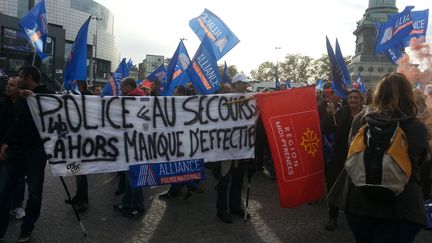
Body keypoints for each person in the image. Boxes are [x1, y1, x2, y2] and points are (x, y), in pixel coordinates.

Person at [345, 73, 428, 243]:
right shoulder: (417, 127)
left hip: (360, 202)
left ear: (378, 93)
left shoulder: (362, 119)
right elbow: (421, 160)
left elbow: (351, 150)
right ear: (408, 95)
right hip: (402, 207)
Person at [0, 66, 53, 242]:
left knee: (35, 191)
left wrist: (36, 99)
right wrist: (6, 141)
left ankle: (27, 227)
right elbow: (16, 121)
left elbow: (57, 111)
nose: (18, 78)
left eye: (20, 76)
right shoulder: (21, 97)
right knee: (4, 189)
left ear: (28, 77)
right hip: (16, 149)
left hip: (36, 151)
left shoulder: (46, 94)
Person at [321, 89, 363, 231]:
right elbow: (326, 129)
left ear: (361, 100)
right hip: (339, 156)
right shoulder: (341, 112)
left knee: (356, 188)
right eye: (351, 97)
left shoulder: (366, 114)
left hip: (359, 157)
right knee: (333, 185)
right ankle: (332, 217)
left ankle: (355, 218)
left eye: (356, 98)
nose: (353, 100)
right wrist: (329, 115)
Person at [213, 73, 252, 224]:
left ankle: (235, 205)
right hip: (227, 149)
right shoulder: (223, 101)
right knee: (224, 181)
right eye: (241, 83)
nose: (244, 86)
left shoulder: (250, 100)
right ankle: (221, 210)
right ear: (235, 84)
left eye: (245, 83)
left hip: (242, 148)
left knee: (238, 180)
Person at [113, 77, 146, 217]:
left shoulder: (131, 99)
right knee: (133, 174)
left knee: (132, 175)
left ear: (128, 86)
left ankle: (135, 206)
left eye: (122, 86)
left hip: (132, 143)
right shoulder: (143, 97)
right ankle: (129, 203)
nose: (121, 89)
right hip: (140, 141)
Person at [0, 76, 26, 220]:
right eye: (7, 84)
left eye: (12, 85)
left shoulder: (24, 104)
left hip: (18, 149)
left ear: (20, 89)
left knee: (18, 180)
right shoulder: (3, 103)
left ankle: (16, 205)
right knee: (4, 183)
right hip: (4, 148)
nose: (8, 87)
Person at [64, 80, 93, 212]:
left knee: (81, 171)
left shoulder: (86, 96)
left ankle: (84, 200)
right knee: (77, 169)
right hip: (77, 138)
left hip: (83, 138)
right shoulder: (82, 96)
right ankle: (78, 196)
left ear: (80, 85)